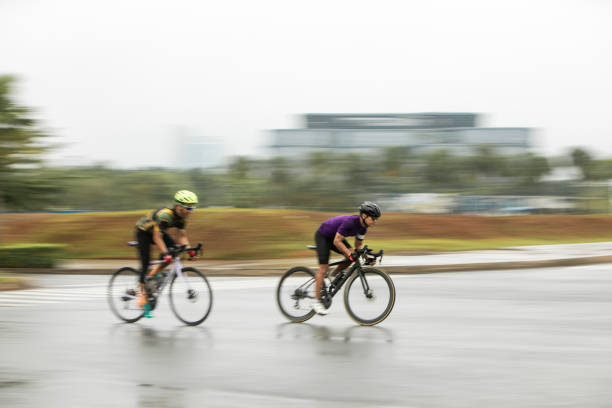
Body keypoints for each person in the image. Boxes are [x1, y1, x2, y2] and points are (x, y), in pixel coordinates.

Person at [134, 190, 199, 317]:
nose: (191, 211)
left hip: (156, 232)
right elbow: (157, 238)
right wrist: (165, 254)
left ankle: (154, 274)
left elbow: (182, 237)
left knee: (174, 249)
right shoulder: (165, 215)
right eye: (188, 207)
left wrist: (190, 251)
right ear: (179, 206)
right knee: (146, 262)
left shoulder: (182, 218)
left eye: (193, 207)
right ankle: (142, 299)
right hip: (143, 232)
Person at [311, 201, 382, 315]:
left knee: (353, 257)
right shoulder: (350, 222)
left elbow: (358, 246)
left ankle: (332, 276)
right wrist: (349, 253)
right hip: (323, 236)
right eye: (373, 219)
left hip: (336, 237)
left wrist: (367, 257)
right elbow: (336, 241)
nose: (375, 222)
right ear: (364, 216)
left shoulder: (363, 228)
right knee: (323, 268)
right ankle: (316, 302)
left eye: (376, 219)